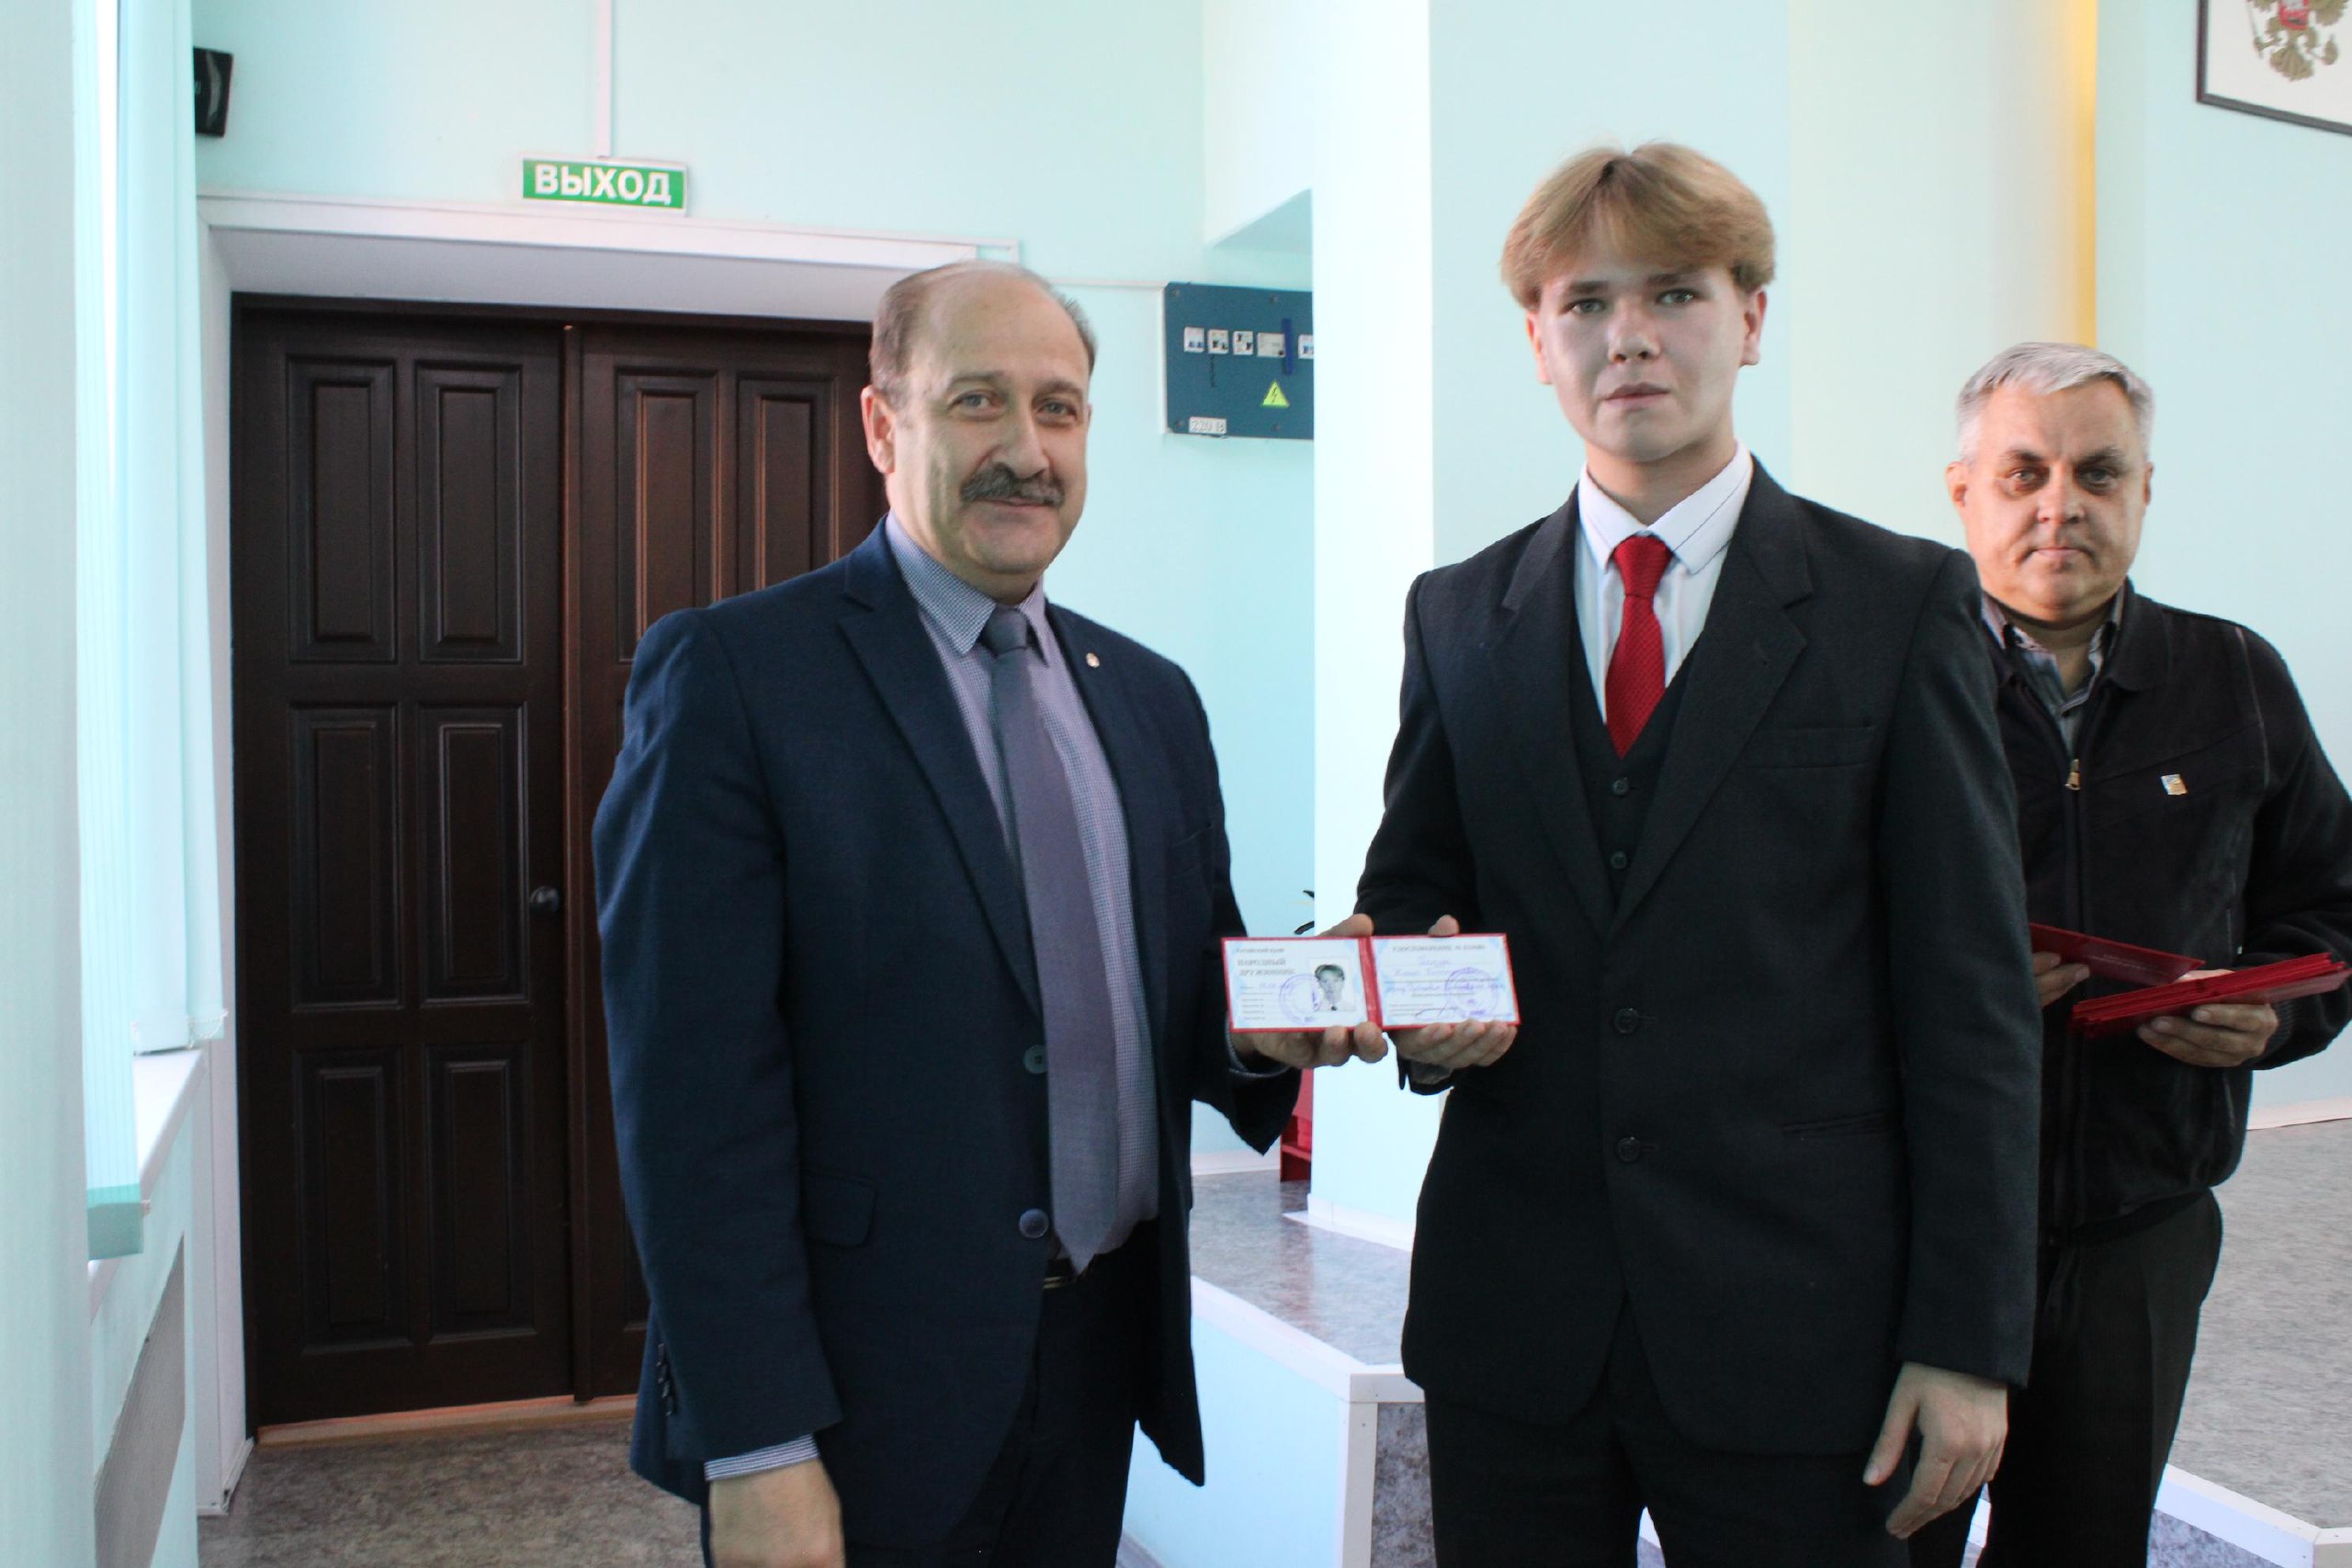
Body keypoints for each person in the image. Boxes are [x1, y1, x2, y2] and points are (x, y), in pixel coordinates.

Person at [594, 259, 1380, 1568]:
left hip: (1096, 1363)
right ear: (882, 424)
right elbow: (692, 1105)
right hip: (859, 1391)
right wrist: (758, 1444)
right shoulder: (738, 676)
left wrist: (1276, 1020)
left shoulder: (1151, 698)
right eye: (978, 401)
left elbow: (1184, 995)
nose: (1027, 450)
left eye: (1059, 408)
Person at [1354, 141, 2044, 1567]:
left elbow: (1972, 1004)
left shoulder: (1899, 602)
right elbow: (1416, 892)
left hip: (1805, 1330)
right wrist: (1418, 1001)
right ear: (1537, 340)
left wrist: (1969, 1340)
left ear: (1751, 318)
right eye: (1585, 301)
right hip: (1516, 1328)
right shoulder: (1458, 615)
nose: (1630, 336)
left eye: (1674, 292)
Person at [1906, 343, 2352, 1568]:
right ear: (1963, 492)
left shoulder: (2234, 676)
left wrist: (2278, 1019)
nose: (2062, 505)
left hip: (2139, 1227)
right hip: (1915, 1226)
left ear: (2145, 490)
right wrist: (1959, 996)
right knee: (1885, 1542)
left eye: (2098, 473)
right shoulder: (1887, 680)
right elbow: (1789, 941)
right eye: (2025, 473)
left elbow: (2333, 911)